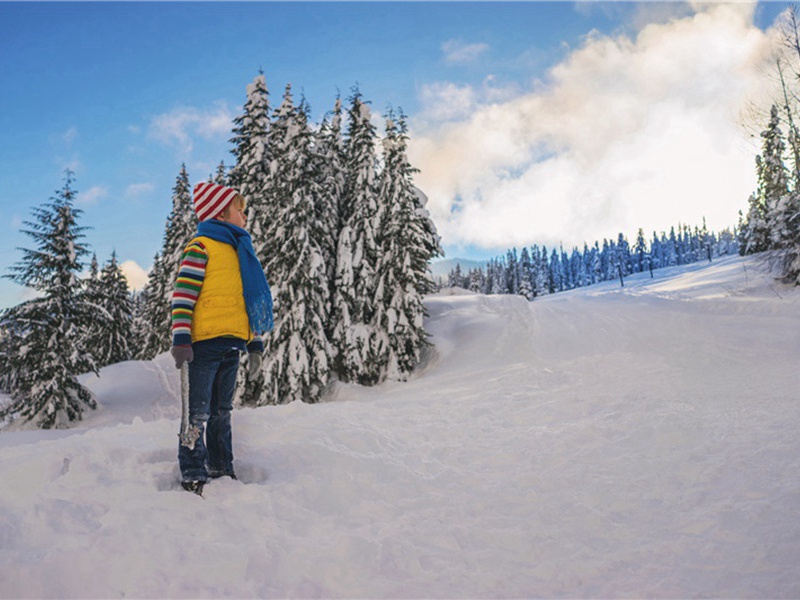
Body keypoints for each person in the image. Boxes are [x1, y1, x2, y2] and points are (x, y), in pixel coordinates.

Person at [170, 181, 273, 495]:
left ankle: (221, 467)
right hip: (203, 343)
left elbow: (247, 300)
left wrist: (254, 343)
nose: (244, 215)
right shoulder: (201, 247)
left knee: (222, 411)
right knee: (197, 410)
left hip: (233, 343)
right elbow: (183, 295)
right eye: (239, 209)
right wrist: (181, 338)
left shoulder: (240, 251)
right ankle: (192, 471)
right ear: (221, 213)